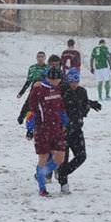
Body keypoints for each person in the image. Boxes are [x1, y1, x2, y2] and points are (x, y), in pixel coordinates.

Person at [25, 66, 69, 197]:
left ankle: (41, 174)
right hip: (42, 129)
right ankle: (42, 188)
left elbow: (60, 107)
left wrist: (65, 121)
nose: (58, 82)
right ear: (50, 78)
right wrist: (29, 128)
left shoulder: (57, 88)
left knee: (60, 158)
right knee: (43, 157)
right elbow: (32, 111)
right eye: (57, 79)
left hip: (57, 129)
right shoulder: (38, 89)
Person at [57, 68, 101, 194]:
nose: (74, 84)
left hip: (77, 129)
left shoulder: (82, 91)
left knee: (82, 156)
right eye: (71, 81)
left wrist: (90, 105)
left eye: (76, 81)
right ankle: (63, 183)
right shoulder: (62, 91)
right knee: (63, 159)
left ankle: (62, 173)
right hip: (63, 131)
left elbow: (83, 104)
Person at [16, 51, 47, 124]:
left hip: (45, 88)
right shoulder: (32, 68)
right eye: (39, 57)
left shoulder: (48, 68)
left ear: (45, 58)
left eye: (42, 57)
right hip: (34, 87)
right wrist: (21, 92)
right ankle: (22, 117)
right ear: (36, 58)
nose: (40, 58)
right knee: (28, 103)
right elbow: (28, 81)